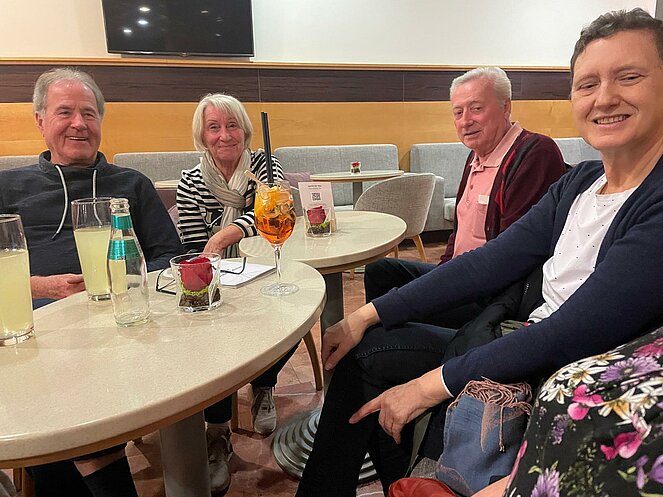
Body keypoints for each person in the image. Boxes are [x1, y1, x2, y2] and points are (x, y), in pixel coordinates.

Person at [296, 7, 663, 497]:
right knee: (373, 342)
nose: (605, 98)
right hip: (523, 331)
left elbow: (573, 332)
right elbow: (489, 259)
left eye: (629, 77)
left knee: (371, 361)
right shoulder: (580, 181)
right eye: (587, 84)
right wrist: (365, 314)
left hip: (562, 376)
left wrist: (428, 385)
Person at [0, 68, 183, 496]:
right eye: (65, 112)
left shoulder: (131, 184)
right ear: (40, 120)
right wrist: (39, 287)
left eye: (89, 113)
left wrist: (126, 284)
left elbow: (167, 257)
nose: (79, 124)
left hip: (116, 328)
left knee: (59, 413)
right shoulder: (8, 187)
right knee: (51, 406)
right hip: (29, 330)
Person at [365, 66, 566, 329]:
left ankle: (404, 346)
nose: (465, 121)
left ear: (506, 107)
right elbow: (458, 234)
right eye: (458, 112)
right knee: (380, 272)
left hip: (489, 293)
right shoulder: (475, 156)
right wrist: (441, 275)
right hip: (461, 278)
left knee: (384, 320)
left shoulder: (535, 153)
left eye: (476, 108)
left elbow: (508, 258)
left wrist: (436, 289)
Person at [176, 93, 295, 494]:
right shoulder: (191, 182)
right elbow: (194, 246)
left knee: (293, 309)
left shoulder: (265, 164)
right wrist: (214, 263)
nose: (224, 135)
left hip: (266, 266)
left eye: (232, 126)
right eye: (214, 127)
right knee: (211, 337)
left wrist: (226, 234)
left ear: (245, 130)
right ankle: (218, 430)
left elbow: (271, 211)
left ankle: (264, 382)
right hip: (217, 277)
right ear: (203, 135)